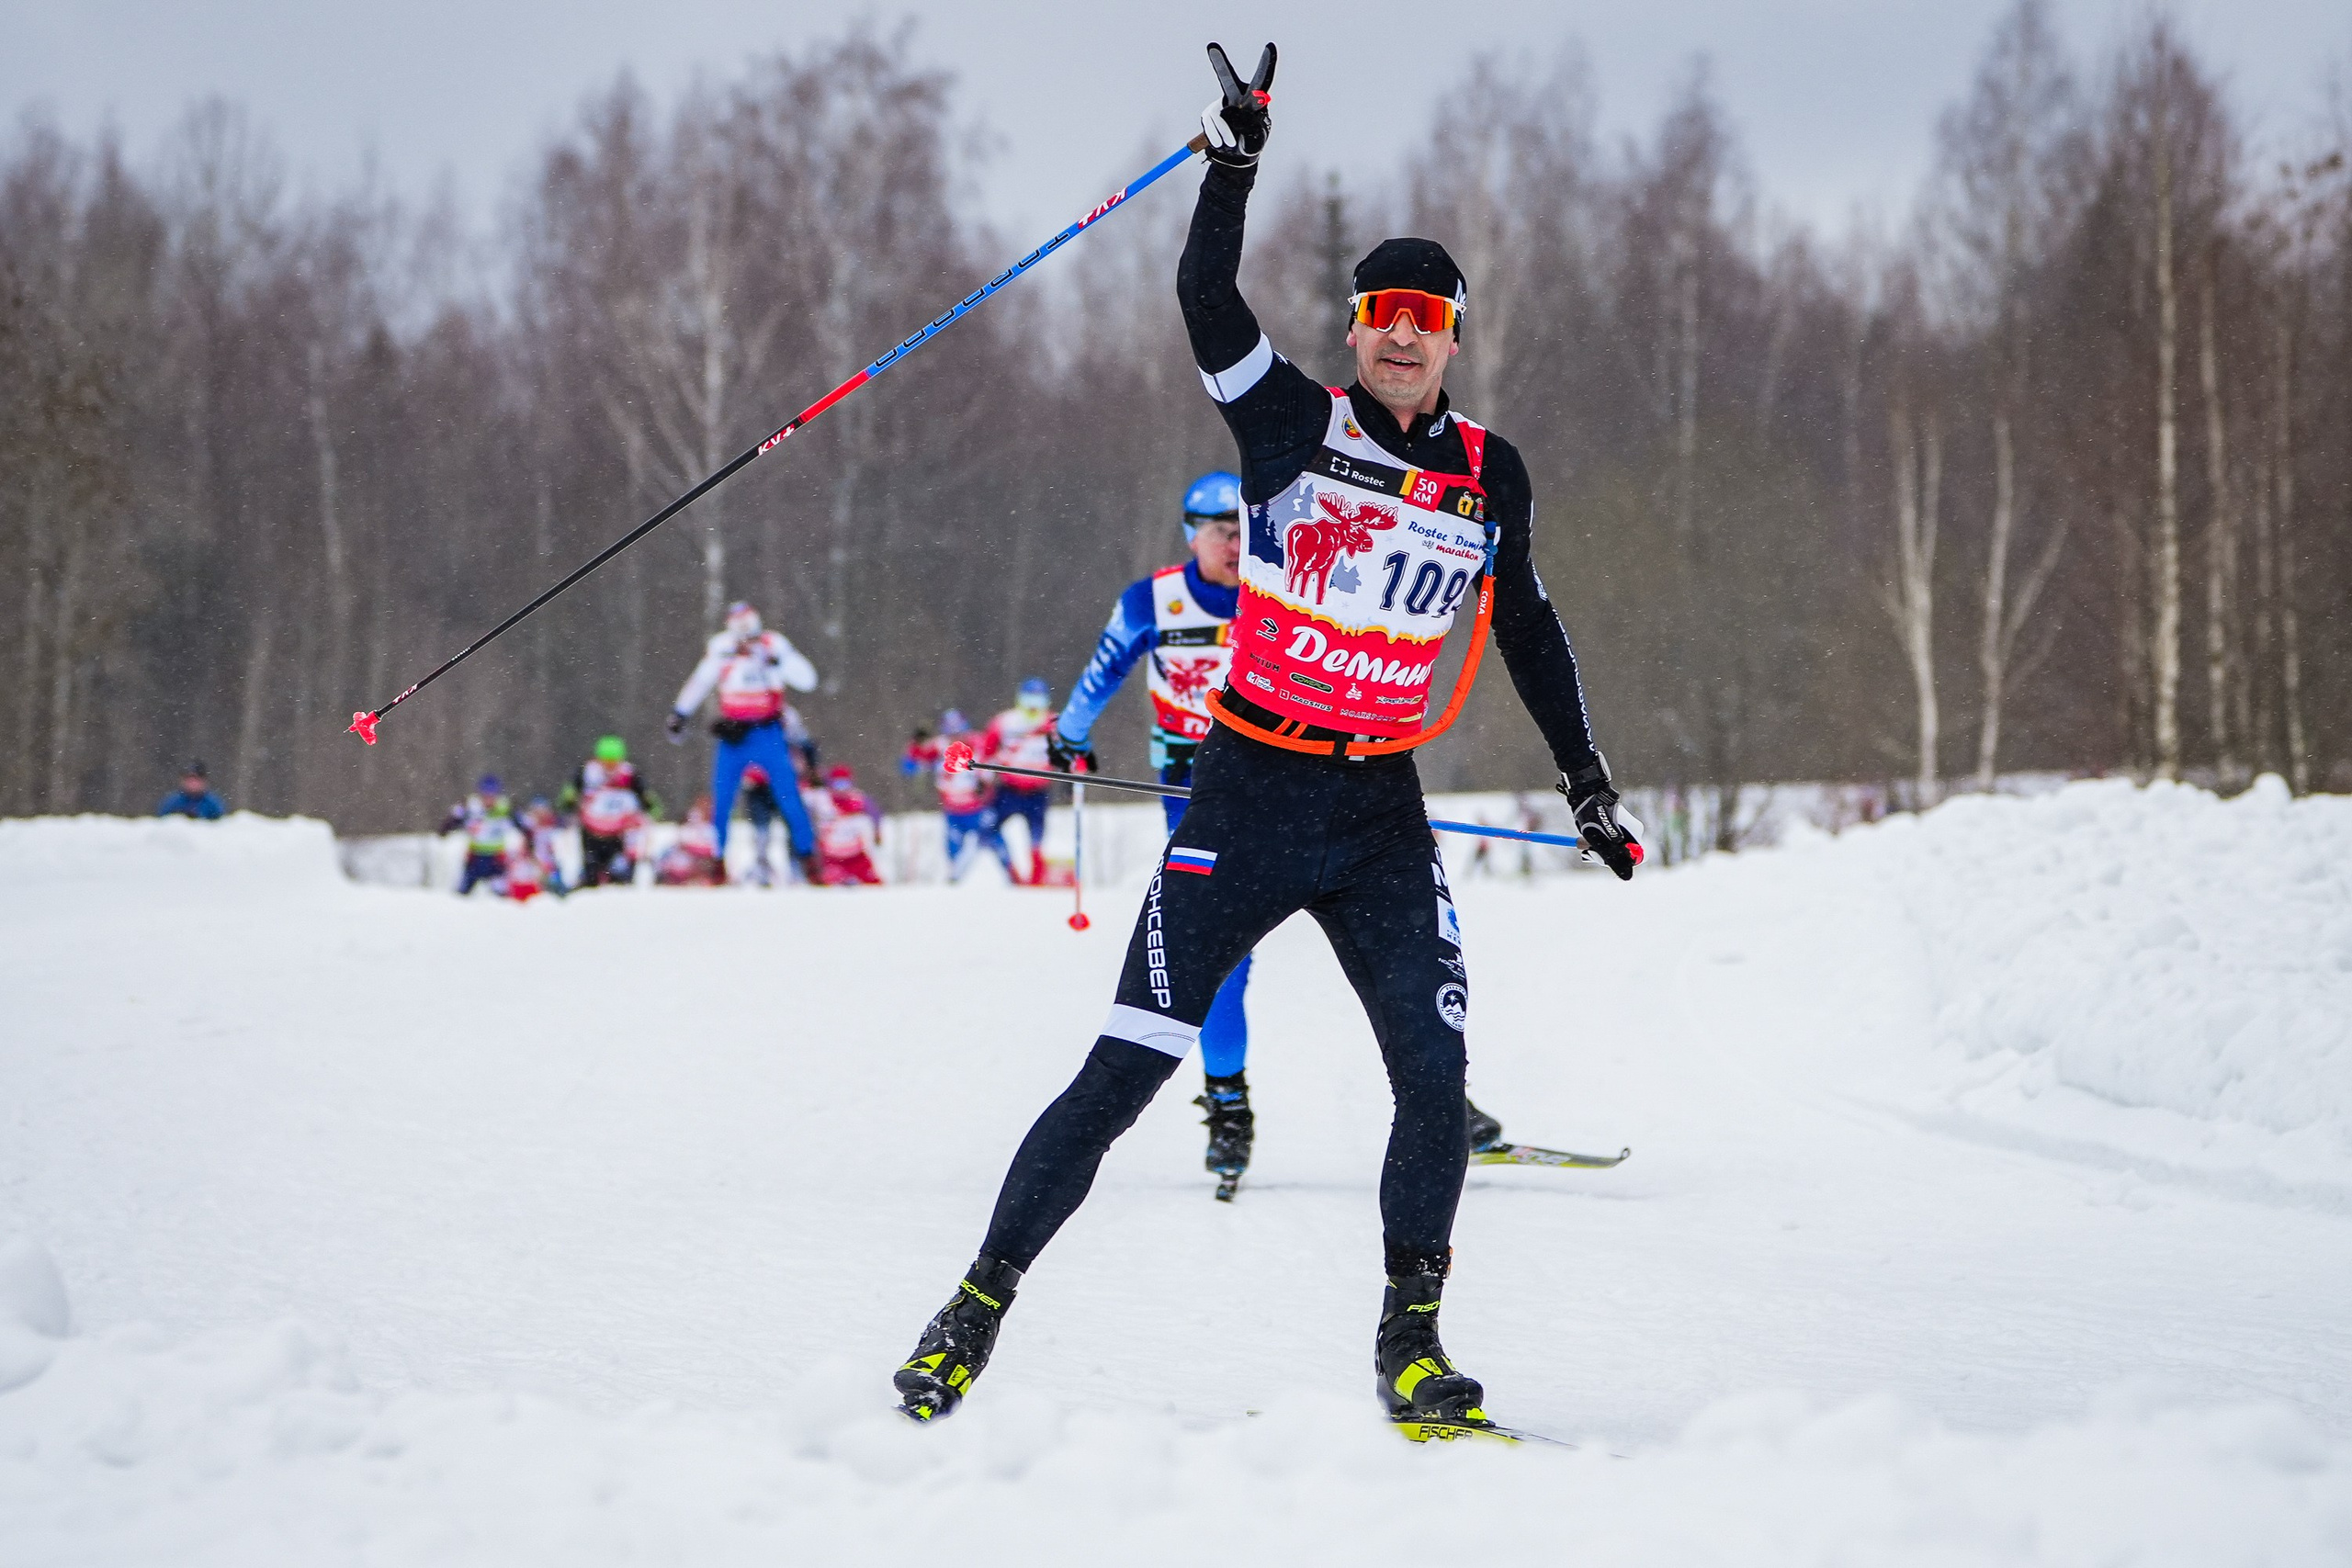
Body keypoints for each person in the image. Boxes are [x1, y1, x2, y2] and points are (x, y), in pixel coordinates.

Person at [894, 48, 1643, 1434]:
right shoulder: (1290, 421)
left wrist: (1585, 780)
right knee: (1125, 1068)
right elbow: (1200, 297)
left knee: (1435, 1080)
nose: (1403, 335)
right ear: (1357, 330)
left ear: (1455, 336)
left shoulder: (1490, 470)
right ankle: (973, 1307)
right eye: (1383, 313)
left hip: (1376, 816)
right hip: (1245, 791)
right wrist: (1233, 164)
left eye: (1427, 316)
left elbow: (1527, 627)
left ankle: (1410, 1343)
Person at [667, 600, 820, 883]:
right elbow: (701, 681)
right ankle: (717, 861)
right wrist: (680, 713)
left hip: (768, 733)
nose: (745, 640)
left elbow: (808, 680)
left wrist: (778, 662)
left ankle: (807, 856)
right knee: (722, 797)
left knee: (789, 797)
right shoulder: (722, 648)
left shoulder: (773, 644)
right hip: (734, 736)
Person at [904, 710, 1016, 883]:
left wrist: (985, 781)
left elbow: (997, 760)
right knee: (953, 852)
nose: (956, 738)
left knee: (996, 843)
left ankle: (1015, 879)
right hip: (953, 812)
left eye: (959, 732)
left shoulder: (978, 742)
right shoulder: (939, 746)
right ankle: (955, 884)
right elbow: (909, 766)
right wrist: (916, 744)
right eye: (951, 733)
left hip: (980, 809)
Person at [978, 678, 1057, 885]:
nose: (1033, 705)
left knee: (1037, 839)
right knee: (988, 830)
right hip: (1009, 789)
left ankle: (1036, 879)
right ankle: (1012, 872)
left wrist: (1071, 775)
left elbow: (1070, 751)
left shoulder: (1055, 722)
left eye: (1039, 699)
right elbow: (987, 751)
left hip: (1038, 791)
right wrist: (983, 779)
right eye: (1029, 698)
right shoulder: (1005, 721)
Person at [560, 736, 660, 888]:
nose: (609, 767)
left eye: (613, 762)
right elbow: (570, 794)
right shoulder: (587, 772)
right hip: (592, 830)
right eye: (606, 762)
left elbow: (646, 796)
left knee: (620, 874)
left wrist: (651, 809)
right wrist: (569, 803)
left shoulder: (629, 774)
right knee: (591, 870)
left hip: (620, 832)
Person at [439, 774, 521, 896]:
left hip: (497, 859)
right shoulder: (470, 806)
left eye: (491, 795)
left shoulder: (505, 807)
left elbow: (524, 825)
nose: (488, 799)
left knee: (502, 896)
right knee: (462, 894)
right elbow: (451, 821)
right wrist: (446, 829)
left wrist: (530, 843)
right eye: (485, 795)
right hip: (475, 858)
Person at [813, 763, 885, 886]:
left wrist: (877, 832)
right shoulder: (821, 799)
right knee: (831, 886)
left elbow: (875, 814)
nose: (841, 789)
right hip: (832, 856)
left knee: (874, 885)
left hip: (856, 856)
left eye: (845, 784)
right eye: (838, 784)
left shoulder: (858, 799)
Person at [655, 795, 727, 886]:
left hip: (700, 860)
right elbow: (680, 844)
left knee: (705, 862)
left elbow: (713, 851)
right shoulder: (686, 828)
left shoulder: (710, 829)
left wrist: (693, 849)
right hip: (684, 860)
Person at [156, 761, 226, 819]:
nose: (193, 783)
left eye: (196, 780)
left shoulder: (212, 803)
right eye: (189, 780)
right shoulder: (172, 802)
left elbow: (220, 826)